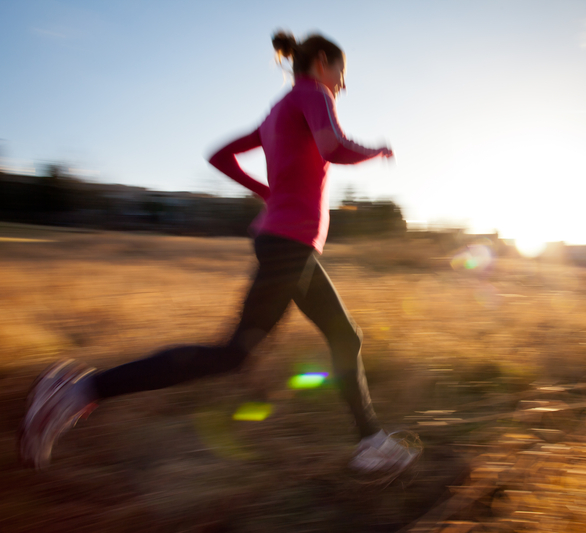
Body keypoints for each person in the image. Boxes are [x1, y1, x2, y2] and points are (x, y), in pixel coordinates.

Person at [19, 31, 418, 474]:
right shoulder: (312, 94)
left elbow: (221, 156)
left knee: (344, 336)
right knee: (233, 355)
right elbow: (333, 147)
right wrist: (376, 149)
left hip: (289, 242)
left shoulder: (278, 111)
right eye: (341, 73)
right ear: (322, 62)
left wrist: (266, 191)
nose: (342, 84)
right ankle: (77, 391)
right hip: (289, 242)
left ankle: (371, 442)